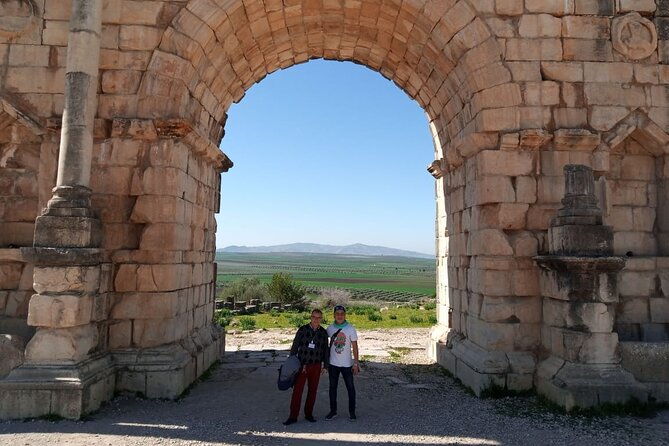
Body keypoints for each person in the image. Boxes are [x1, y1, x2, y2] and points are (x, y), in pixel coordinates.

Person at [283, 308, 329, 426]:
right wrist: (291, 362)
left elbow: (325, 351)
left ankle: (309, 414)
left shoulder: (323, 333)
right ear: (310, 317)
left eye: (318, 318)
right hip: (302, 365)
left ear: (321, 319)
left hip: (316, 366)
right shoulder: (302, 330)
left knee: (312, 391)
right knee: (297, 391)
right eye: (314, 317)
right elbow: (294, 347)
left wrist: (325, 366)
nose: (316, 320)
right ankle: (293, 416)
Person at [325, 305, 360, 421]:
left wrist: (356, 363)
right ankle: (333, 411)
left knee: (350, 388)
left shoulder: (350, 329)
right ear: (334, 315)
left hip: (347, 364)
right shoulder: (329, 328)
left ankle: (352, 412)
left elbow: (355, 347)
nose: (339, 316)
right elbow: (324, 345)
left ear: (345, 315)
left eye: (342, 314)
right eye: (337, 314)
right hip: (333, 364)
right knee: (332, 388)